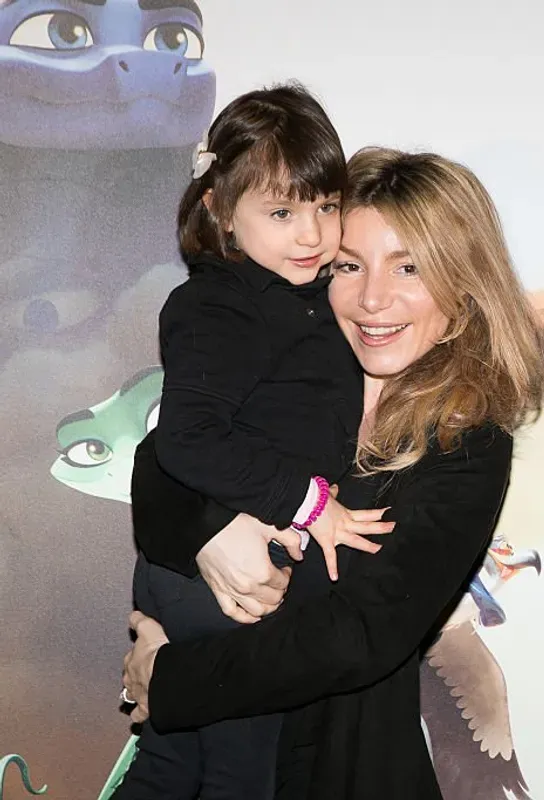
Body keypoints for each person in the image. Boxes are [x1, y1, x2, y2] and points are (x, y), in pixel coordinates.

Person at [118, 148, 544, 799]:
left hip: (333, 770)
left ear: (464, 289)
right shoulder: (298, 382)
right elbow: (162, 461)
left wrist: (172, 677)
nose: (373, 297)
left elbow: (358, 636)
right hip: (198, 749)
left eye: (410, 267)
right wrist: (211, 535)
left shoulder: (468, 444)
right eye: (350, 265)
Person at [116, 83, 393, 800]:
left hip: (220, 579)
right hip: (212, 586)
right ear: (220, 212)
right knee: (245, 776)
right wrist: (311, 505)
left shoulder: (303, 300)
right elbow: (186, 439)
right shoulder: (217, 305)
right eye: (281, 212)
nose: (311, 234)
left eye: (325, 207)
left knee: (174, 765)